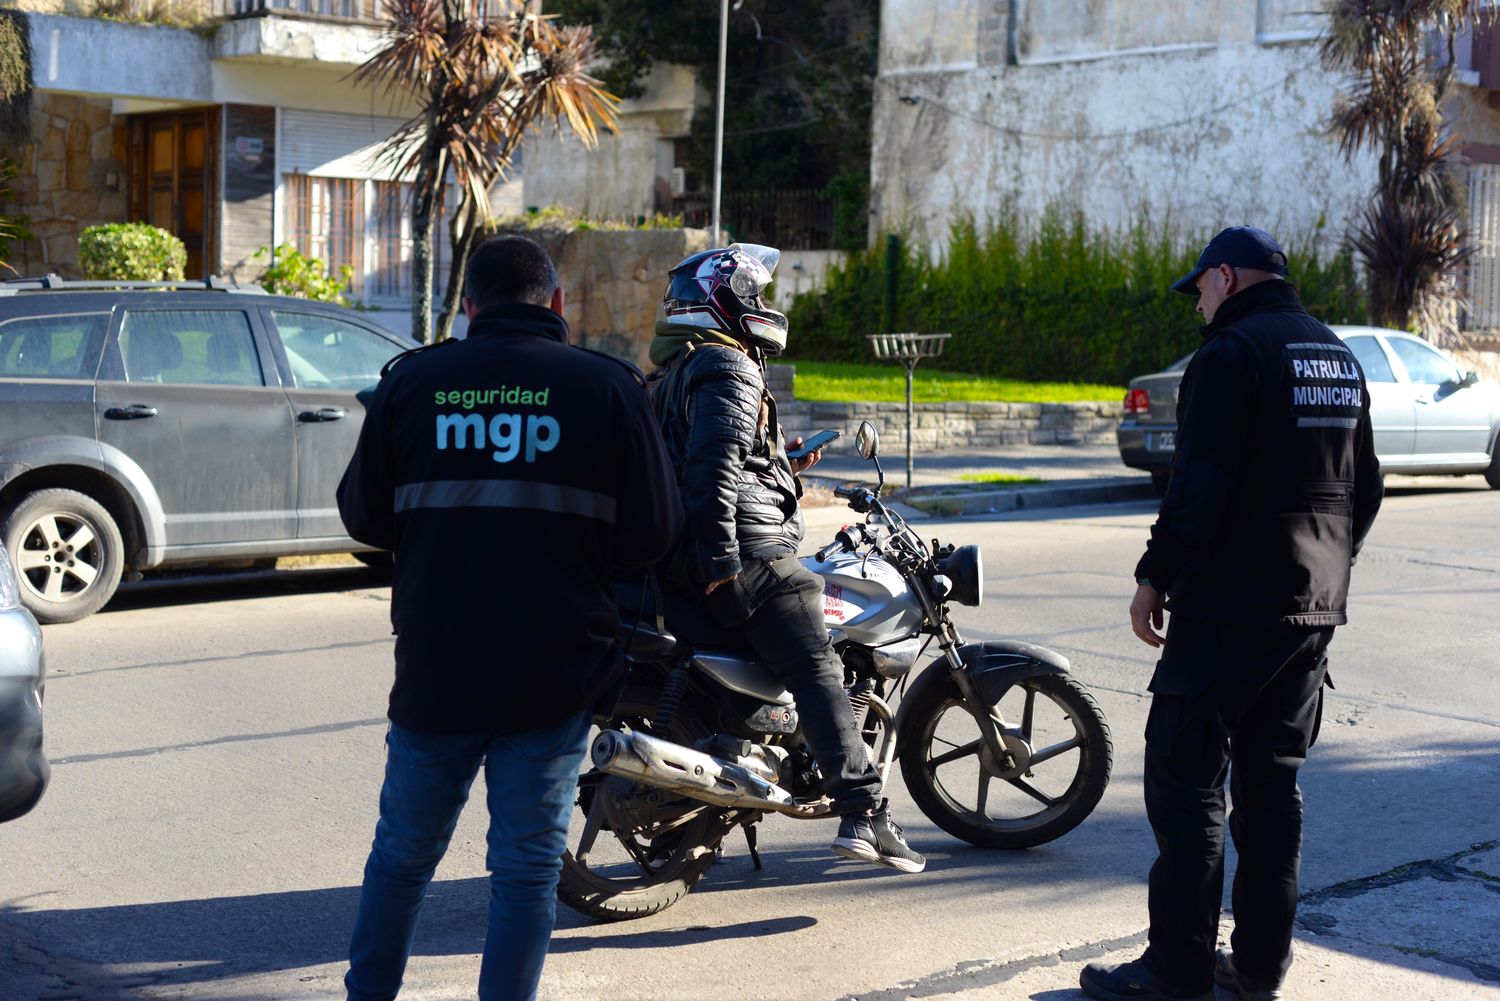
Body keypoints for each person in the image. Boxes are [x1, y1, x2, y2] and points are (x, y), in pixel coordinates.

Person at [336, 235, 683, 1001]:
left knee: (401, 856)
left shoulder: (414, 382)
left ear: (469, 305)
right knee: (525, 867)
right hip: (553, 671)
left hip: (438, 668)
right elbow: (656, 532)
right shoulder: (607, 388)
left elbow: (362, 515)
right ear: (555, 302)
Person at [1079, 227, 1383, 1001]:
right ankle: (1257, 969)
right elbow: (1366, 487)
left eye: (1201, 291)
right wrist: (1323, 567)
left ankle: (1176, 970)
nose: (1199, 307)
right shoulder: (1337, 357)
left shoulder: (1230, 355)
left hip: (1229, 611)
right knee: (1272, 790)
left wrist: (1156, 574)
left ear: (1226, 277)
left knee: (1186, 789)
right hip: (1312, 611)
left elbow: (1198, 491)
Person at [645, 242, 925, 874]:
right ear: (728, 301)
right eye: (756, 296)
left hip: (687, 555)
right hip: (744, 554)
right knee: (817, 663)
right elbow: (711, 478)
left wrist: (783, 464)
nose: (765, 307)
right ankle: (863, 811)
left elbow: (713, 463)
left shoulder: (674, 373)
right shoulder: (729, 368)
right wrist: (721, 565)